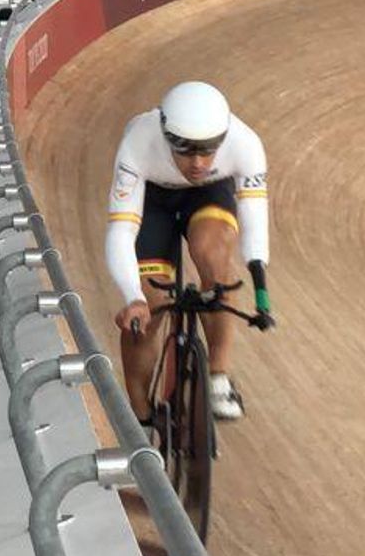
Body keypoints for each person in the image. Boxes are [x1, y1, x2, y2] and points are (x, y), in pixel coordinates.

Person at [104, 81, 273, 423]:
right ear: (165, 133)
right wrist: (133, 297)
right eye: (184, 149)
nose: (197, 162)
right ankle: (140, 416)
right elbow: (121, 230)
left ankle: (219, 378)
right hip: (153, 198)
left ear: (223, 137)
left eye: (208, 150)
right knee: (150, 306)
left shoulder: (245, 143)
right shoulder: (138, 143)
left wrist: (260, 288)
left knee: (215, 262)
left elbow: (254, 216)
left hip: (208, 193)